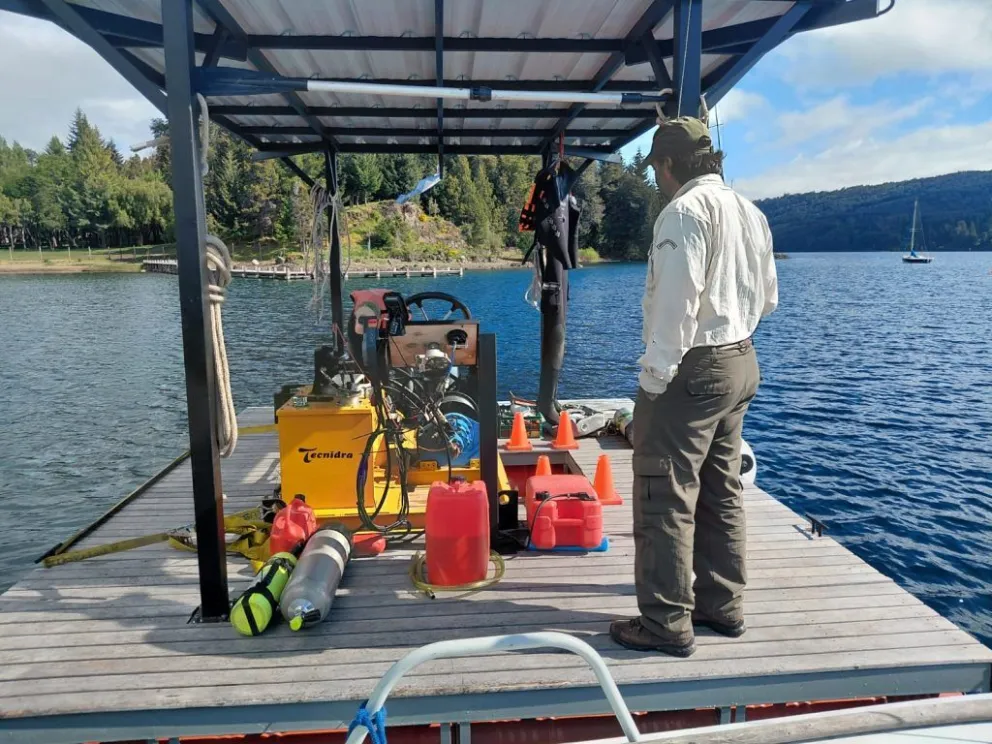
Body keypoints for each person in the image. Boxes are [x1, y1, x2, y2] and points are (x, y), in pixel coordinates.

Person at [609, 115, 778, 658]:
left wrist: (654, 381)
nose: (657, 177)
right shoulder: (750, 211)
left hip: (692, 369)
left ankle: (664, 622)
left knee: (663, 492)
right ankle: (722, 606)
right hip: (741, 360)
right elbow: (768, 299)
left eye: (656, 167)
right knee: (721, 488)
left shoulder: (682, 213)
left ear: (667, 164)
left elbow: (674, 308)